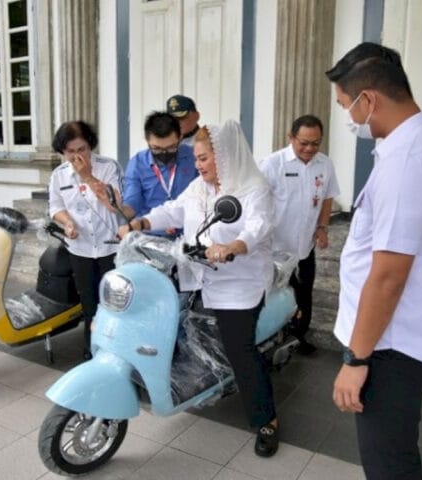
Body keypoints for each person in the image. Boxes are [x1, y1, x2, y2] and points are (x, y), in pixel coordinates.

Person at [326, 42, 422, 479]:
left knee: (389, 461)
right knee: (393, 451)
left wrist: (356, 360)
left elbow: (387, 276)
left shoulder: (408, 159)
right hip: (401, 335)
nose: (349, 119)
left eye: (346, 106)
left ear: (369, 100)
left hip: (392, 345)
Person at [119, 120, 281, 458]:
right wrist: (141, 224)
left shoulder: (253, 188)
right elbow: (174, 209)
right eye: (197, 158)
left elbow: (258, 226)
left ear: (225, 157)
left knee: (240, 351)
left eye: (205, 158)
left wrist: (234, 246)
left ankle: (266, 420)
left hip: (239, 283)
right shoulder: (199, 187)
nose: (199, 165)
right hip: (200, 272)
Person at [260, 114, 340, 355]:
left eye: (315, 143)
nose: (309, 149)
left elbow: (327, 198)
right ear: (291, 138)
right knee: (275, 294)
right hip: (275, 248)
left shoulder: (324, 164)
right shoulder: (273, 164)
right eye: (303, 143)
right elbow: (259, 203)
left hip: (305, 245)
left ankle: (298, 336)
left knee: (305, 293)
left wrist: (323, 228)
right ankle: (271, 337)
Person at [48, 121, 122, 361]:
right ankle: (93, 352)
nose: (77, 155)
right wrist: (67, 223)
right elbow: (55, 207)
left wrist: (87, 176)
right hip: (80, 249)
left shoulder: (108, 167)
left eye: (82, 149)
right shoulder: (58, 175)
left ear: (90, 145)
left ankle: (117, 352)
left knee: (113, 304)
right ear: (62, 151)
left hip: (110, 247)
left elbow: (116, 205)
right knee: (89, 304)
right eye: (70, 151)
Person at [122, 111, 198, 235]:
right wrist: (114, 206)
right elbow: (131, 206)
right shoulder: (137, 163)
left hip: (188, 235)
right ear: (147, 140)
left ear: (180, 138)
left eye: (171, 147)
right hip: (150, 236)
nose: (164, 153)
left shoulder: (194, 158)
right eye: (156, 148)